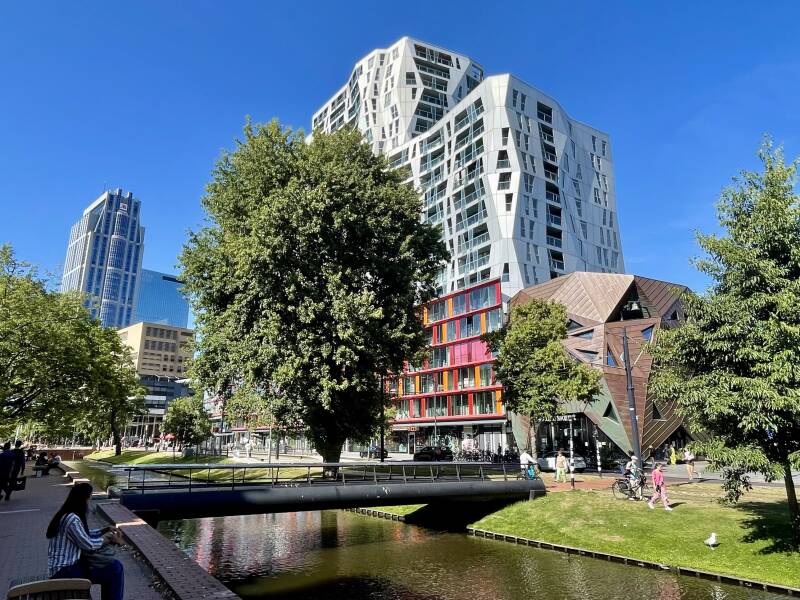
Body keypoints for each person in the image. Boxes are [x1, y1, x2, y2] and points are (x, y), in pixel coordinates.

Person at [47, 482, 124, 600]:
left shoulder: (66, 515)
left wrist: (105, 529)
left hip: (63, 570)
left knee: (112, 567)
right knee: (115, 569)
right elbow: (88, 545)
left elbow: (83, 534)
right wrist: (108, 538)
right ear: (83, 500)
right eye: (89, 499)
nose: (89, 503)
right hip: (65, 572)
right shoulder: (72, 519)